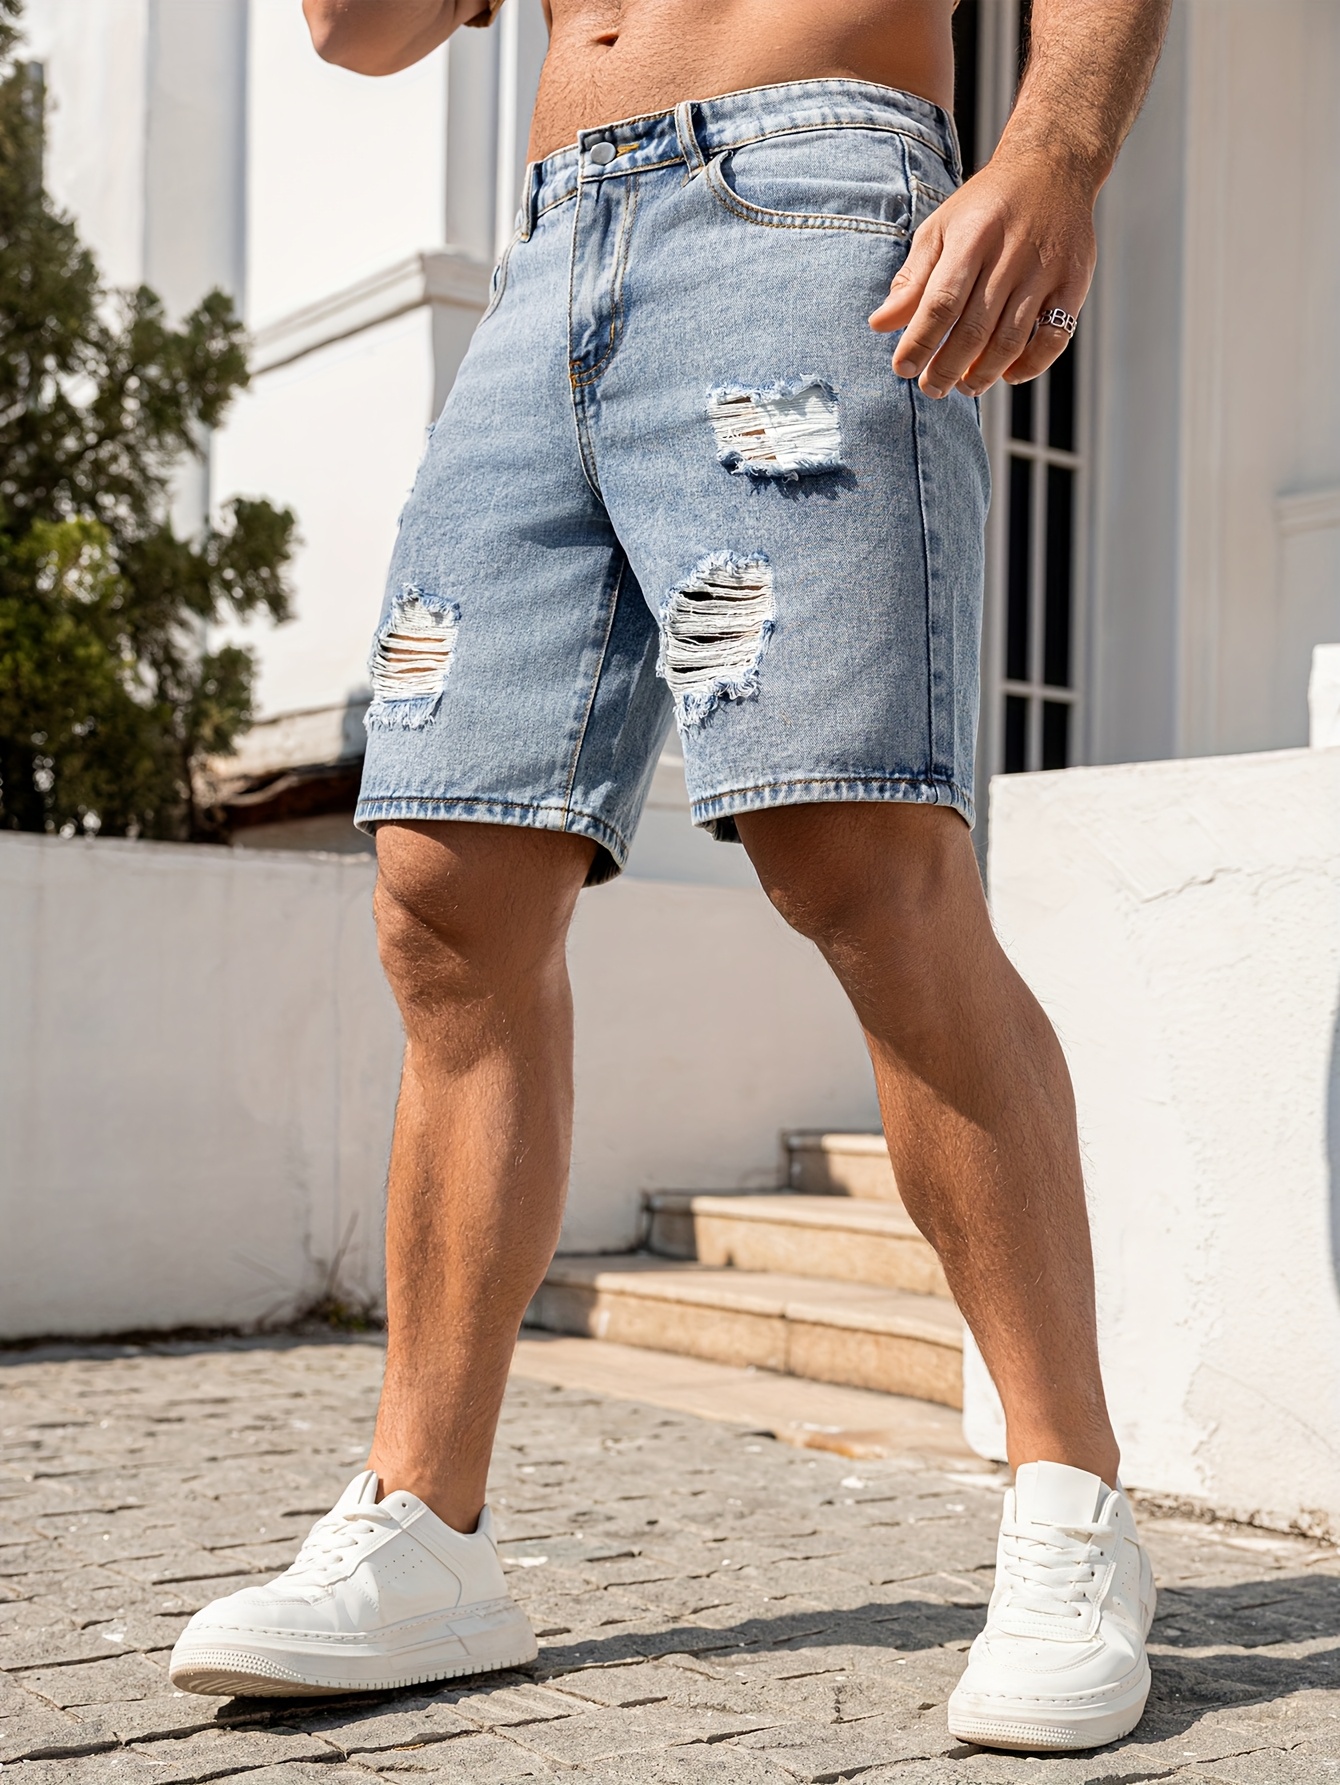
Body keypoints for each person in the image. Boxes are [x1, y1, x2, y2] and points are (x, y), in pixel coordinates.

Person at [170, 0, 1171, 1752]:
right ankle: (427, 1528)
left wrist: (1056, 152)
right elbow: (358, 35)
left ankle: (1070, 1499)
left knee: (861, 860)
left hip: (811, 196)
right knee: (443, 890)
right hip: (552, 251)